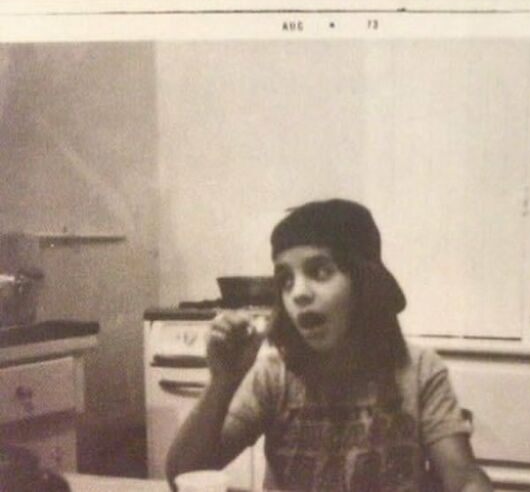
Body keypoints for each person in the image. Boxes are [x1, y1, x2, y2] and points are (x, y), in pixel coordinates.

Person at [165, 199, 493, 491]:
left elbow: (463, 479)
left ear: (365, 283)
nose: (298, 293)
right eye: (286, 280)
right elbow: (185, 474)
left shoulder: (420, 371)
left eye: (320, 271)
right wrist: (223, 382)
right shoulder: (274, 375)